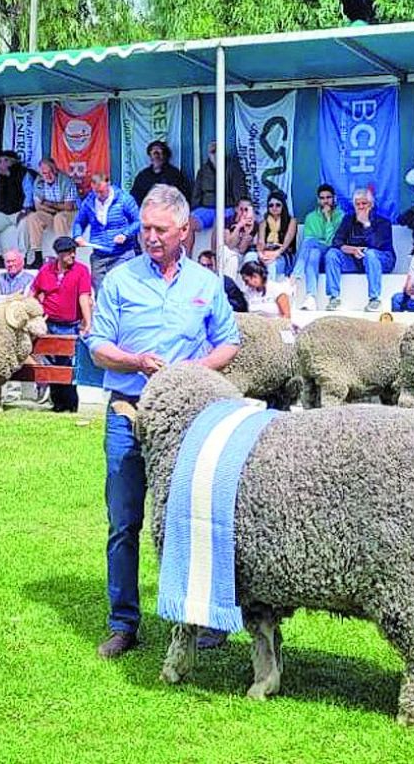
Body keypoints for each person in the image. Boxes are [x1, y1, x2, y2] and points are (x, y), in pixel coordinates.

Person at [88, 184, 240, 659]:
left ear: (183, 230)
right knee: (124, 521)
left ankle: (206, 619)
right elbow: (97, 346)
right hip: (128, 412)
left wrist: (193, 371)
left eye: (160, 229)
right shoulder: (119, 280)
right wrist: (134, 361)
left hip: (189, 419)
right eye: (145, 229)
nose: (150, 237)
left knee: (197, 518)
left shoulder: (206, 283)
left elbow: (229, 341)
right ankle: (123, 623)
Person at [30, 236, 93, 413]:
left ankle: (70, 404)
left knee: (67, 365)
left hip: (70, 325)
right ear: (59, 254)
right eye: (69, 252)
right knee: (51, 364)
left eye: (74, 251)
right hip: (49, 324)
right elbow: (33, 292)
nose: (73, 255)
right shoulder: (46, 270)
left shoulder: (81, 270)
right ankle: (57, 403)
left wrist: (87, 322)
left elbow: (84, 297)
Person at [324, 188, 396, 312]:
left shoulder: (383, 222)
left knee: (370, 254)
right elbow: (336, 242)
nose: (361, 207)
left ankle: (375, 299)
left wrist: (366, 224)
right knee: (332, 254)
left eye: (364, 203)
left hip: (381, 260)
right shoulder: (348, 219)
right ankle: (334, 298)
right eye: (358, 204)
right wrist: (351, 250)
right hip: (356, 260)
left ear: (371, 205)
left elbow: (376, 244)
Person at [72, 172, 140, 288]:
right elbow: (79, 222)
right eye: (96, 192)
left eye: (102, 191)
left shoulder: (124, 199)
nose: (99, 195)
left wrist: (125, 234)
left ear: (109, 185)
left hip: (122, 253)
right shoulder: (89, 202)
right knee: (100, 291)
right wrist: (77, 236)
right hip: (99, 254)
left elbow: (138, 221)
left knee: (121, 288)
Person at [187, 140, 249, 254]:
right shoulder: (203, 170)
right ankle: (187, 257)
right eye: (213, 151)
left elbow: (239, 192)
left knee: (218, 221)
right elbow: (196, 194)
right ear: (209, 153)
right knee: (188, 223)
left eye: (218, 150)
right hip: (207, 208)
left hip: (227, 207)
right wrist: (195, 209)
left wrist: (239, 211)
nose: (215, 153)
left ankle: (214, 257)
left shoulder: (233, 167)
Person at [0, 149, 36, 265]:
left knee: (24, 224)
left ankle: (24, 258)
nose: (1, 164)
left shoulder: (24, 174)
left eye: (5, 160)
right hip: (4, 214)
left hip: (21, 212)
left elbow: (29, 194)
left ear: (13, 162)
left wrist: (25, 210)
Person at [293, 184, 343, 311]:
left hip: (332, 254)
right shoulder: (310, 217)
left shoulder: (340, 216)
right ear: (318, 200)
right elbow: (308, 244)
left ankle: (296, 275)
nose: (325, 201)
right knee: (313, 252)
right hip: (315, 255)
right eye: (322, 198)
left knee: (310, 242)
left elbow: (332, 242)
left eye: (328, 197)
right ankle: (311, 297)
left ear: (334, 198)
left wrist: (328, 219)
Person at [21, 157, 78, 267]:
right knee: (33, 217)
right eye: (44, 173)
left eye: (50, 172)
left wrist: (48, 204)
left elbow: (68, 206)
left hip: (69, 213)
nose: (48, 176)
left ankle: (63, 253)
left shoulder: (66, 181)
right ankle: (37, 256)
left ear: (55, 170)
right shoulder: (39, 182)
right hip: (52, 213)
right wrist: (55, 207)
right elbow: (38, 207)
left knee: (59, 217)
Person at [129, 140, 189, 206]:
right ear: (150, 156)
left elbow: (183, 197)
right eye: (154, 153)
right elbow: (134, 198)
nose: (156, 156)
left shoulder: (174, 174)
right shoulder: (142, 176)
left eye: (160, 152)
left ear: (165, 155)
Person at [254, 191, 297, 280]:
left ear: (283, 206)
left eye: (278, 205)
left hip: (283, 254)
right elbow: (261, 243)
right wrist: (261, 255)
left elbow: (286, 244)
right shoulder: (263, 223)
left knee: (271, 265)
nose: (274, 208)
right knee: (251, 258)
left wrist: (275, 254)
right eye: (271, 205)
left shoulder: (291, 221)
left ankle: (269, 288)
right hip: (267, 252)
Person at [219, 197, 256, 282]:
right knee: (226, 251)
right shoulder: (228, 221)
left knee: (234, 258)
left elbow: (242, 249)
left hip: (241, 255)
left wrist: (248, 230)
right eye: (241, 209)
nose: (243, 212)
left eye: (246, 210)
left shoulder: (254, 225)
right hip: (227, 252)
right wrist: (239, 226)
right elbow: (229, 245)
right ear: (236, 209)